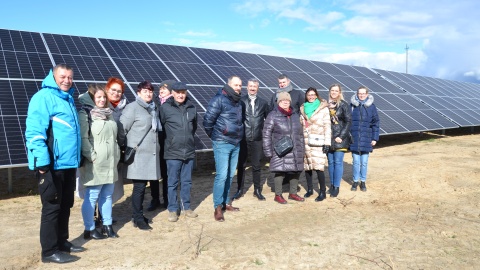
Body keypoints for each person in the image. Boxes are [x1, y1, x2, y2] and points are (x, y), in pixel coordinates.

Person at [25, 64, 83, 263]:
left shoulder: (67, 99)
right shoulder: (43, 98)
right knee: (51, 207)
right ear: (53, 77)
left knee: (66, 204)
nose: (67, 80)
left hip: (67, 163)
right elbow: (34, 133)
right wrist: (42, 165)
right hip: (50, 165)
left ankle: (61, 242)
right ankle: (49, 252)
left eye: (70, 77)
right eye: (63, 76)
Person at [78, 84, 120, 239]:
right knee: (92, 195)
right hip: (95, 162)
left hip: (111, 162)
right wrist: (92, 156)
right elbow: (84, 138)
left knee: (108, 195)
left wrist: (117, 155)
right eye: (98, 97)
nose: (102, 100)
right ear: (92, 99)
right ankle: (89, 229)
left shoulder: (109, 114)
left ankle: (107, 226)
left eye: (104, 97)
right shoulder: (86, 114)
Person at [119, 81, 161, 230]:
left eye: (150, 91)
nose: (148, 94)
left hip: (150, 156)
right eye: (145, 91)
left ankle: (139, 215)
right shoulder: (132, 108)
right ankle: (137, 218)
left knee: (143, 187)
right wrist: (124, 147)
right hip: (138, 156)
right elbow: (121, 129)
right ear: (138, 93)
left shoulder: (153, 108)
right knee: (139, 188)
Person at [203, 75, 244, 222]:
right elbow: (207, 121)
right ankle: (218, 207)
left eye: (240, 85)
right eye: (236, 85)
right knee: (221, 175)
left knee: (230, 174)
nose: (238, 87)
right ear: (228, 85)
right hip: (222, 142)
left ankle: (226, 203)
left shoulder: (239, 102)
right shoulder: (219, 99)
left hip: (235, 142)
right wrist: (217, 136)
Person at [160, 81, 198, 222]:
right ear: (173, 93)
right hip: (172, 152)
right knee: (172, 182)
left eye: (183, 92)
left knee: (187, 181)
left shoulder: (191, 108)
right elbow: (162, 128)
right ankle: (172, 209)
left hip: (188, 151)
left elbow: (193, 128)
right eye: (178, 92)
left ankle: (186, 207)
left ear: (186, 93)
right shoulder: (165, 108)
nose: (181, 95)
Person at [263, 92, 305, 204]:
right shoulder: (272, 115)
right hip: (280, 149)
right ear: (278, 102)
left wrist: (302, 149)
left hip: (295, 147)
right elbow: (266, 134)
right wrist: (268, 151)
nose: (285, 102)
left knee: (296, 170)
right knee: (279, 171)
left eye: (287, 100)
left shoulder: (295, 115)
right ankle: (278, 194)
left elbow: (300, 134)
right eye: (282, 100)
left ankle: (293, 193)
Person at [232, 78, 269, 201]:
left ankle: (257, 190)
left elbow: (268, 120)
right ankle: (239, 190)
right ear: (247, 87)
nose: (252, 88)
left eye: (255, 86)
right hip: (243, 138)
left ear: (258, 88)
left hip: (257, 139)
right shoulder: (240, 101)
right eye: (250, 86)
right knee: (241, 165)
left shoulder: (263, 103)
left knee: (256, 165)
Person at [148, 79, 176, 211]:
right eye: (160, 88)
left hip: (168, 144)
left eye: (165, 88)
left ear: (171, 90)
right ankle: (155, 199)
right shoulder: (154, 104)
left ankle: (166, 198)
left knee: (166, 174)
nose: (161, 90)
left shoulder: (175, 104)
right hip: (155, 143)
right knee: (153, 173)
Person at [300, 87, 331, 201]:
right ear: (306, 96)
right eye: (309, 95)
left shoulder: (323, 108)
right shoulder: (303, 108)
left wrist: (327, 143)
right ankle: (309, 189)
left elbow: (327, 126)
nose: (311, 97)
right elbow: (301, 124)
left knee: (319, 168)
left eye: (313, 94)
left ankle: (322, 192)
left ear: (316, 95)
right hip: (306, 141)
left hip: (318, 142)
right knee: (307, 167)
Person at [349, 86, 380, 192]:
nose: (361, 95)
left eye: (363, 93)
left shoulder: (372, 107)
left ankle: (363, 181)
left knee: (364, 162)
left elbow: (376, 123)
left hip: (367, 138)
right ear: (357, 94)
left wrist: (374, 138)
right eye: (359, 93)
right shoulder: (352, 106)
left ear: (367, 94)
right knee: (356, 162)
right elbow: (348, 121)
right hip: (355, 138)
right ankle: (355, 181)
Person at [326, 83, 352, 197]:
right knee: (330, 163)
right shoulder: (326, 106)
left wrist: (341, 136)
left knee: (338, 162)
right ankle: (331, 185)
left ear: (339, 93)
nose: (334, 92)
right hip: (328, 138)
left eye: (336, 91)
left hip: (340, 139)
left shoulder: (344, 105)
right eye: (332, 90)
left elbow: (348, 122)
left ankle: (336, 186)